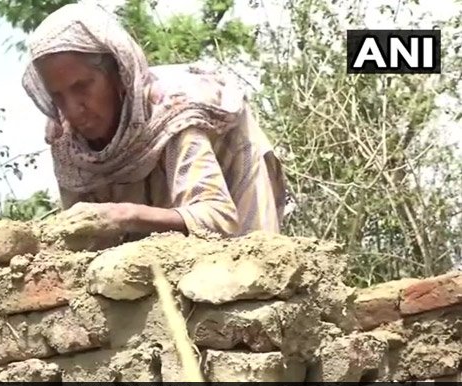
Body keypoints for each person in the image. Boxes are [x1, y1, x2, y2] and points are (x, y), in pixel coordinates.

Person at [21, 3, 286, 242]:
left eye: (82, 87)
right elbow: (79, 239)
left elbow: (217, 218)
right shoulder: (68, 143)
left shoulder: (172, 113)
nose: (73, 108)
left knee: (251, 270)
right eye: (58, 95)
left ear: (118, 75)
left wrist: (124, 215)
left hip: (229, 172)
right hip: (156, 209)